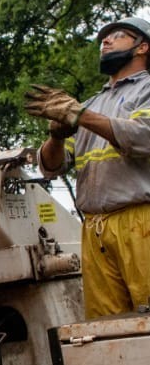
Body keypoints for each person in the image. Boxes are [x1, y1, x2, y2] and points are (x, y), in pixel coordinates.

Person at [25, 16, 150, 319]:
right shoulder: (91, 103)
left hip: (141, 223)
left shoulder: (145, 90)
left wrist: (80, 115)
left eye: (117, 35)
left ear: (142, 47)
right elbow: (51, 168)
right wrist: (55, 135)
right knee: (107, 329)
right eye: (103, 39)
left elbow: (143, 137)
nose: (105, 42)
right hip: (94, 229)